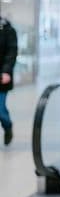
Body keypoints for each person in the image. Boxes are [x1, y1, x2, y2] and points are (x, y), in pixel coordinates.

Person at [0, 16, 17, 146]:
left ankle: (7, 126)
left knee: (0, 109)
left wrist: (6, 71)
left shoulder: (7, 29)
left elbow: (11, 52)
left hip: (1, 78)